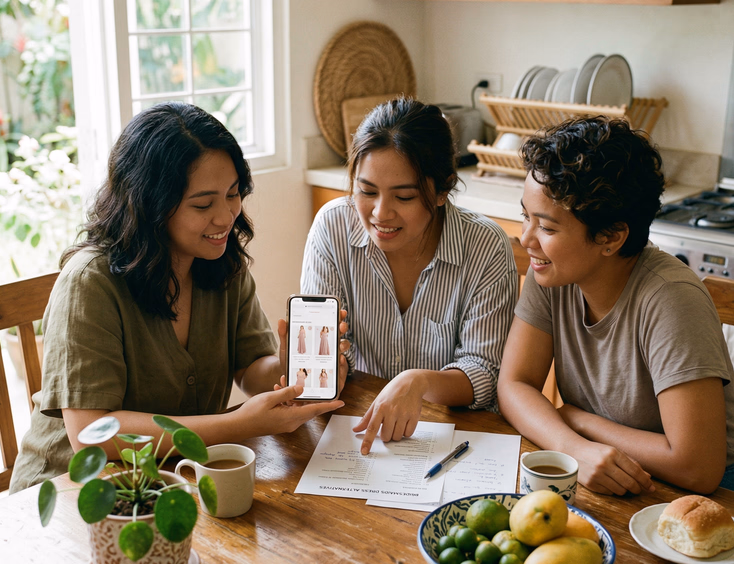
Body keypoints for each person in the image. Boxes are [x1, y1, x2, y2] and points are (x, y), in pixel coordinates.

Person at [9, 102, 346, 493]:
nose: (225, 217)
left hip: (175, 481)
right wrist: (239, 425)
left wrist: (289, 371)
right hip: (74, 492)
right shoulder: (90, 282)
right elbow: (91, 432)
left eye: (234, 194)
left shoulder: (221, 263)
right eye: (203, 204)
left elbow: (252, 368)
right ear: (150, 204)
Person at [497, 116, 734, 496]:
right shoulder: (554, 274)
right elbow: (513, 384)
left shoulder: (671, 299)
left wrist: (582, 423)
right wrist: (572, 445)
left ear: (610, 236)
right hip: (606, 469)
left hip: (703, 493)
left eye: (547, 227)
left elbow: (698, 467)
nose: (527, 239)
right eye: (527, 217)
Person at [301, 97, 517, 454]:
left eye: (403, 196)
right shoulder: (332, 227)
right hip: (359, 430)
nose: (380, 213)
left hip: (456, 440)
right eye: (367, 191)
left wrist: (417, 382)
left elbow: (485, 372)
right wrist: (324, 366)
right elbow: (326, 350)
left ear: (442, 190)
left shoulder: (485, 247)